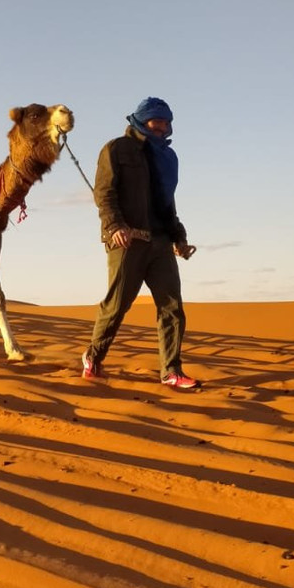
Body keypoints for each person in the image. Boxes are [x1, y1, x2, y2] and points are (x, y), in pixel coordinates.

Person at [81, 97, 200, 389]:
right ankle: (94, 357)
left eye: (166, 122)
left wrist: (179, 237)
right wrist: (113, 227)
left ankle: (171, 370)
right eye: (156, 121)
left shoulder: (167, 157)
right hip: (127, 240)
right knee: (118, 304)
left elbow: (166, 201)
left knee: (172, 307)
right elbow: (104, 193)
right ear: (142, 120)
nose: (162, 127)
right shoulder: (116, 149)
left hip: (160, 241)